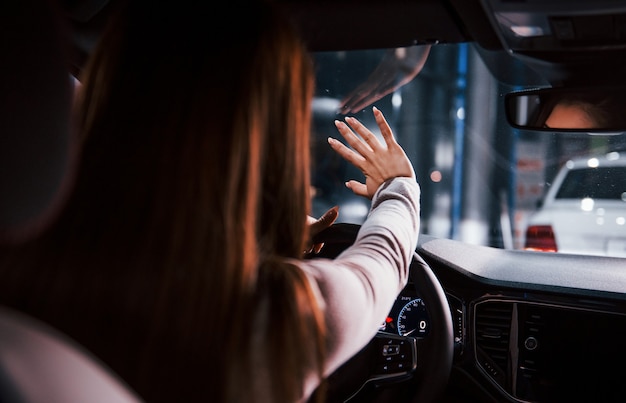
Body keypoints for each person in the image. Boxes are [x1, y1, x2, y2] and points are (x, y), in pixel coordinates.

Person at [0, 1, 420, 403]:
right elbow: (381, 266)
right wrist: (398, 186)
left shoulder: (17, 267)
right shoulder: (270, 316)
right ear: (270, 141)